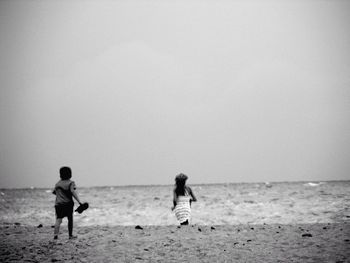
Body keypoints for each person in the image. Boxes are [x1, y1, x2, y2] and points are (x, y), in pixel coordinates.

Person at [52, 166, 82, 240]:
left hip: (58, 205)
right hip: (68, 204)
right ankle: (70, 235)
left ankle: (55, 235)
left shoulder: (57, 184)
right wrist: (79, 201)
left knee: (58, 220)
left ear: (60, 174)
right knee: (70, 219)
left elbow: (54, 193)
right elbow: (72, 192)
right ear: (70, 174)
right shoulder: (71, 183)